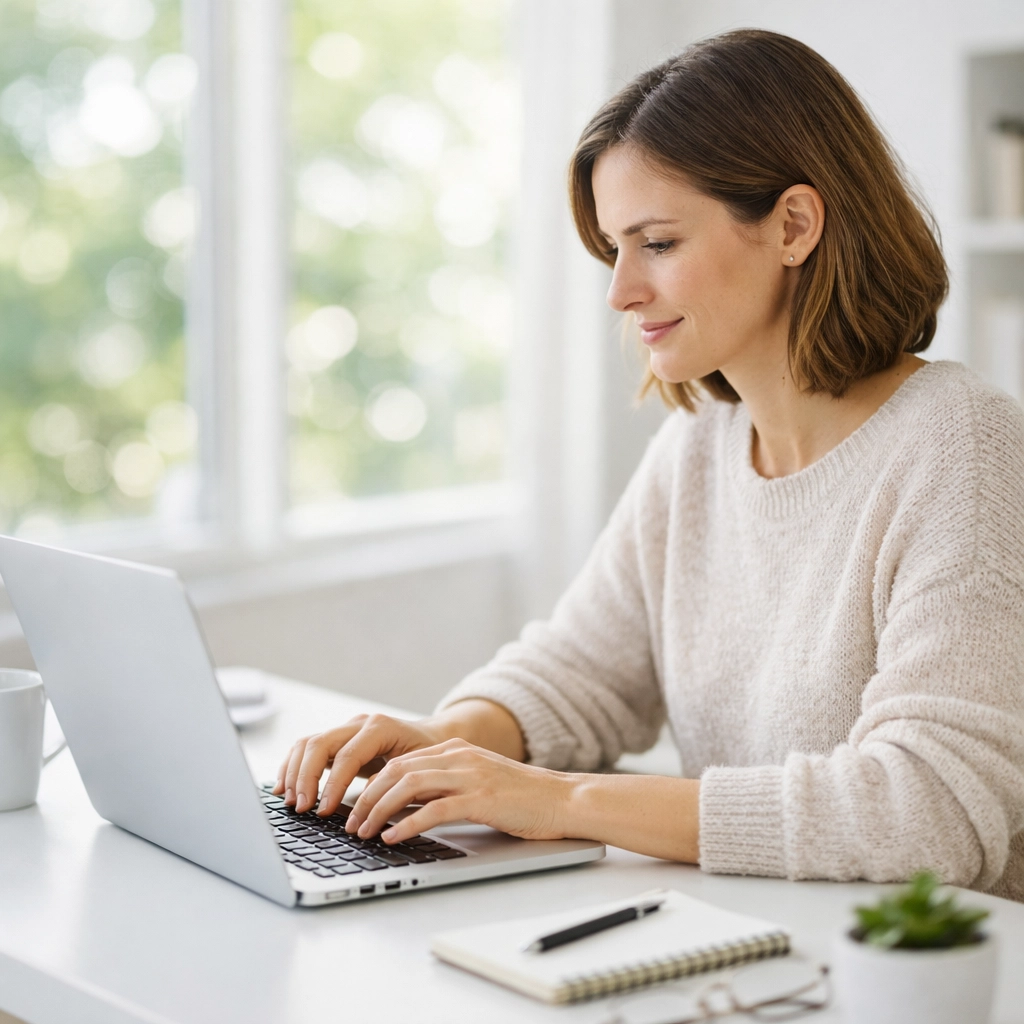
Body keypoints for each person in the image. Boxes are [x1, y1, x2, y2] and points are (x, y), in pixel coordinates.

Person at [274, 29, 1024, 900]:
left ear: (793, 225)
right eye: (613, 249)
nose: (620, 291)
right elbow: (585, 669)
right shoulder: (703, 444)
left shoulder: (963, 450)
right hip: (755, 934)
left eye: (657, 243)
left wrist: (563, 800)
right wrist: (448, 740)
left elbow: (926, 811)